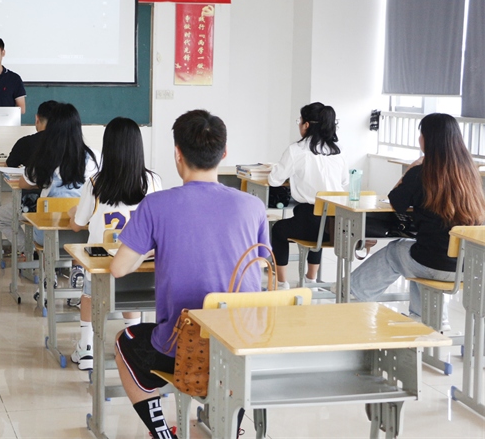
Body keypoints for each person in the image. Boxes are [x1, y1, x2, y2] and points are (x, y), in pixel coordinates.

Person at [110, 110, 269, 439]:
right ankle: (231, 427)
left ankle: (161, 432)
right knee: (228, 352)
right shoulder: (253, 205)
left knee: (124, 342)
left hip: (183, 350)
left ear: (177, 153)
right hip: (243, 349)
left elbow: (119, 268)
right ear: (224, 154)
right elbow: (261, 264)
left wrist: (157, 247)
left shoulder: (156, 205)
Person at [349, 113, 485, 326]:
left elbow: (395, 199)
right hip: (468, 268)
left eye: (421, 134)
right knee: (417, 251)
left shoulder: (421, 173)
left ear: (428, 139)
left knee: (397, 251)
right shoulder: (470, 176)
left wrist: (412, 167)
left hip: (434, 265)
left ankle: (354, 293)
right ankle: (428, 318)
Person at [67, 117, 162, 371]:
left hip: (101, 265)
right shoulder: (153, 181)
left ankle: (87, 348)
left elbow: (77, 223)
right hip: (139, 266)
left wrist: (72, 212)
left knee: (88, 295)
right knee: (132, 296)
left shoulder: (95, 183)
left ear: (108, 147)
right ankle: (134, 343)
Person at [268, 102, 349, 289]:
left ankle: (282, 282)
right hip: (336, 224)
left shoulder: (297, 150)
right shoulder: (339, 150)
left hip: (309, 219)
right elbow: (344, 181)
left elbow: (274, 180)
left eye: (300, 121)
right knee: (319, 229)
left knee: (278, 230)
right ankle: (311, 279)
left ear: (306, 125)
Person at [19, 103, 98, 246]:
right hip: (84, 234)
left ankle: (36, 258)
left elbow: (23, 184)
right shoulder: (94, 157)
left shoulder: (43, 157)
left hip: (48, 236)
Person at [0, 100, 57, 254]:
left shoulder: (26, 143)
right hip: (64, 205)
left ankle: (30, 252)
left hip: (33, 205)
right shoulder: (69, 145)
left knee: (1, 217)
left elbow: (8, 167)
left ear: (37, 118)